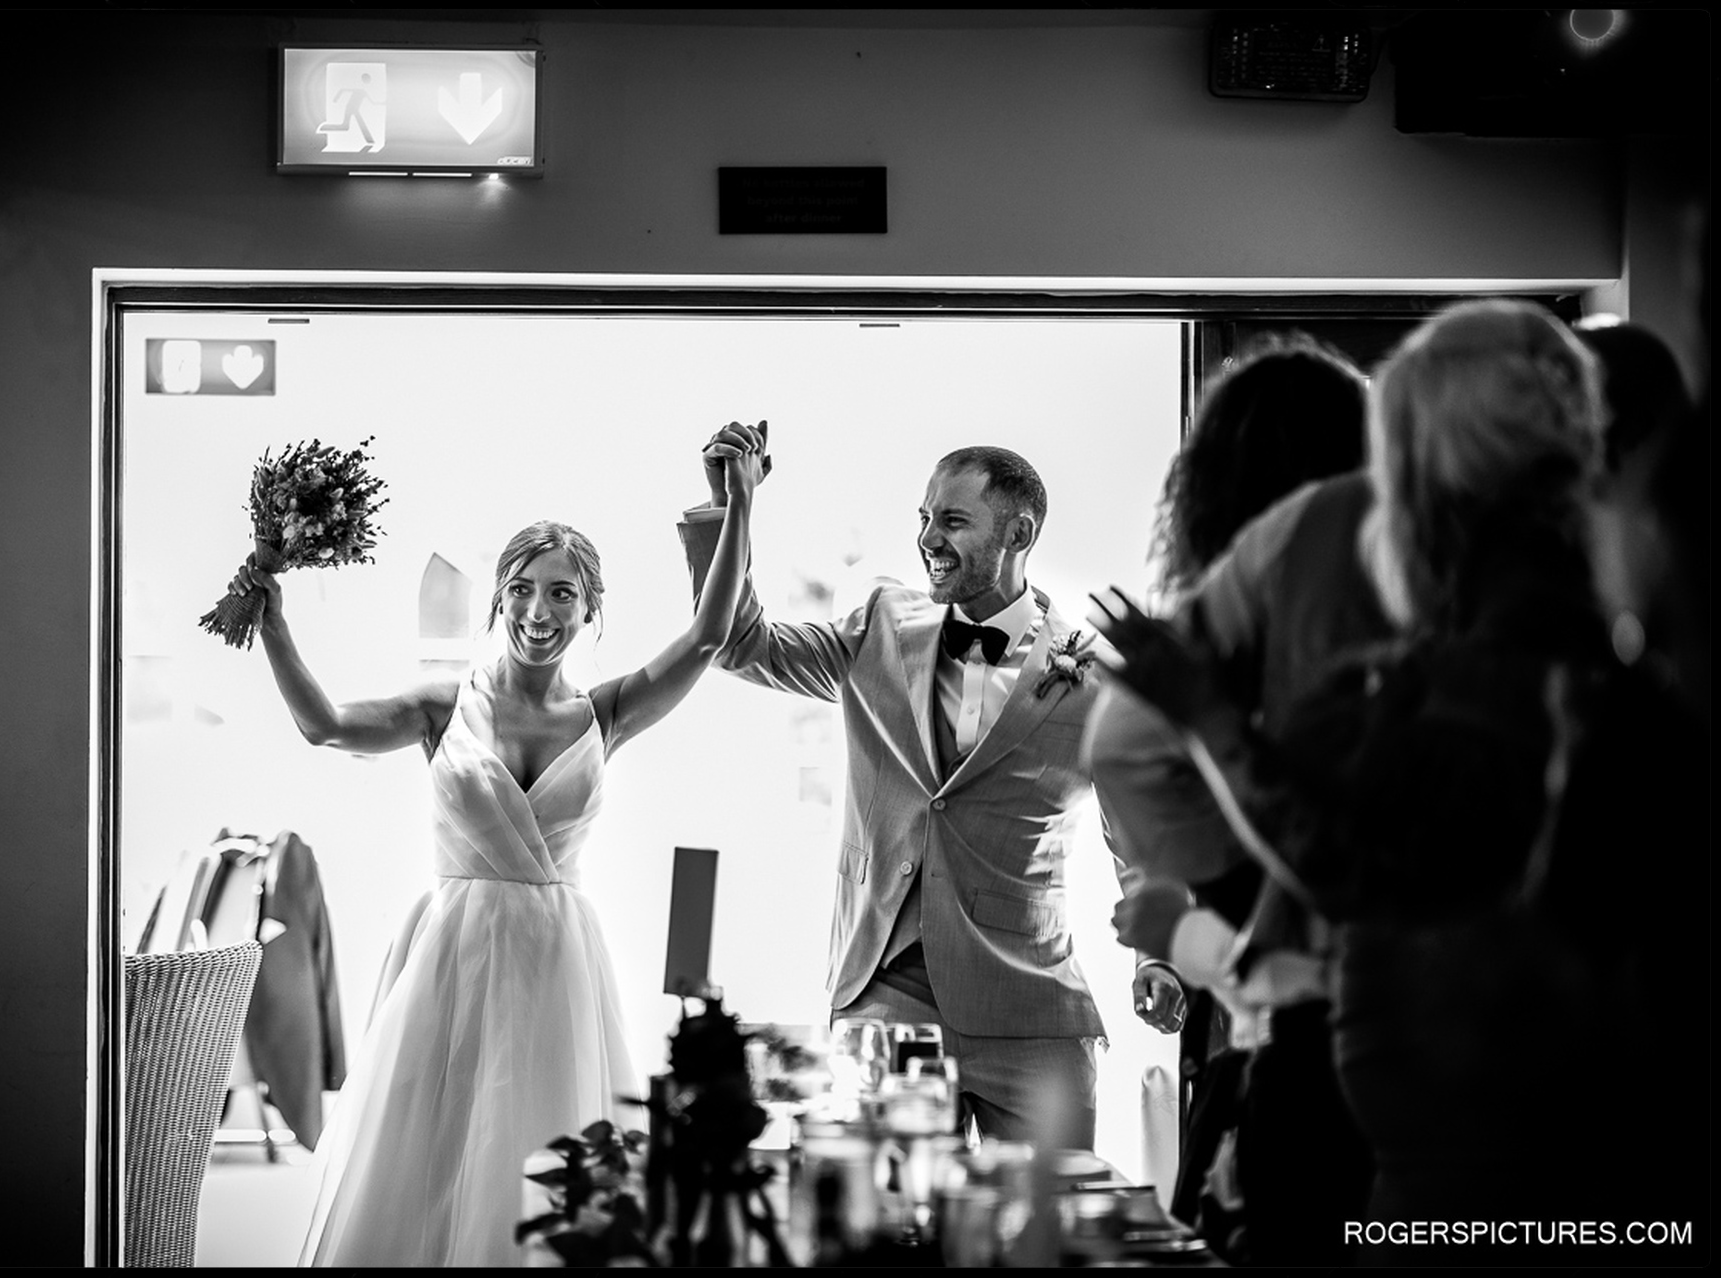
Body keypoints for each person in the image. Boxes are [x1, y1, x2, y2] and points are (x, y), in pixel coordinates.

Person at [1094, 299, 1682, 1262]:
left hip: (1471, 1160)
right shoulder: (1505, 660)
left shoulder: (1498, 673)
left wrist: (1206, 725)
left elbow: (1358, 862)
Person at [224, 432, 767, 1267]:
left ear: (591, 612)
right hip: (452, 952)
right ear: (496, 599)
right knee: (428, 1158)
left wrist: (741, 503)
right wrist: (274, 626)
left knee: (547, 1151)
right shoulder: (445, 707)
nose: (537, 612)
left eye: (561, 595)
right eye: (520, 589)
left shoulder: (606, 713)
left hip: (557, 963)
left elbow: (707, 635)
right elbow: (324, 726)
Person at [677, 426, 1172, 1147]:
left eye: (952, 520)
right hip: (885, 990)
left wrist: (1156, 955)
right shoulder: (881, 624)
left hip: (1031, 1007)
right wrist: (732, 509)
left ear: (1019, 532)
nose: (928, 537)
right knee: (876, 1234)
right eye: (924, 517)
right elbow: (738, 643)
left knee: (1042, 1238)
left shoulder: (1094, 677)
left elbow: (1143, 843)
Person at [1084, 334, 1373, 1263]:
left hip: (1311, 1034)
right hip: (1274, 1012)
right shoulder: (1331, 629)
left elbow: (1321, 908)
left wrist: (1187, 933)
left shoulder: (1254, 657)